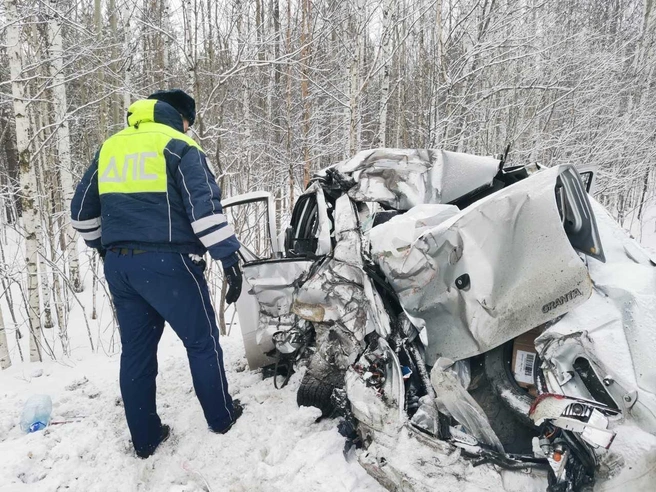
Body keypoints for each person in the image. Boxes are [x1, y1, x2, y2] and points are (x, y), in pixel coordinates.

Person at [70, 89, 244, 458]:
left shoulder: (111, 147)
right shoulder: (179, 146)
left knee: (136, 352)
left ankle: (146, 439)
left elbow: (81, 214)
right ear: (180, 118)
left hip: (120, 266)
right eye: (189, 123)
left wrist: (105, 247)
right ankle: (222, 417)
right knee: (201, 341)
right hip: (170, 265)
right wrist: (229, 258)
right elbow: (205, 211)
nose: (189, 129)